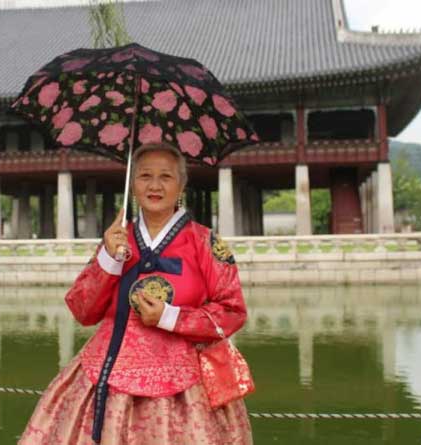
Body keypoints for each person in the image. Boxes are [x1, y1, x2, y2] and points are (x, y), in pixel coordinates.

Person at [18, 142, 253, 445]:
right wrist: (110, 259)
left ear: (181, 185)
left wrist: (170, 317)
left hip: (185, 385)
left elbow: (233, 311)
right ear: (132, 184)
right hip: (109, 373)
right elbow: (82, 310)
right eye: (144, 176)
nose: (154, 185)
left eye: (166, 177)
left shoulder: (205, 242)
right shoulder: (117, 239)